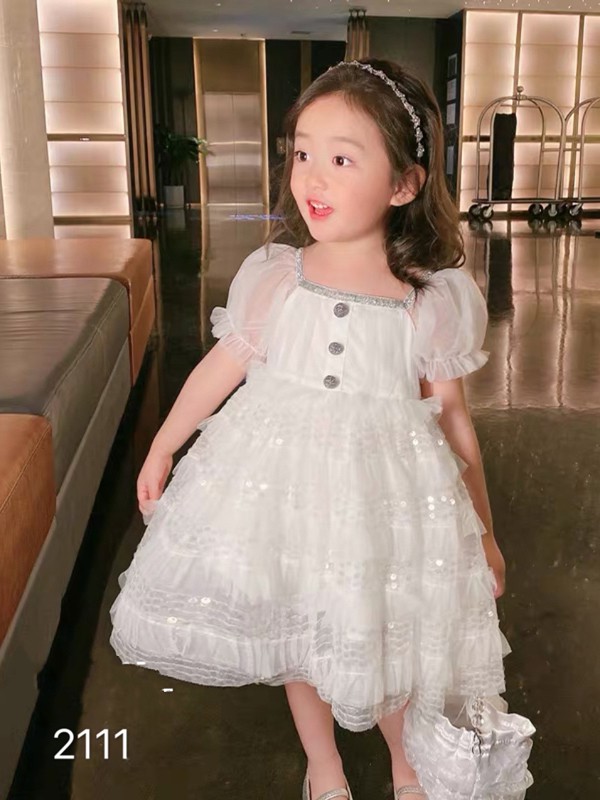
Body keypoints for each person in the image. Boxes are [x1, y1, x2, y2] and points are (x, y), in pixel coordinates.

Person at [110, 58, 516, 800]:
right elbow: (221, 368)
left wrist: (481, 533)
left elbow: (454, 420)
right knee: (295, 631)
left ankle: (406, 765)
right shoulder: (278, 276)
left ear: (404, 184)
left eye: (341, 159)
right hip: (283, 495)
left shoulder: (427, 300)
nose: (312, 179)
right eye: (302, 154)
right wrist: (164, 444)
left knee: (381, 634)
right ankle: (323, 765)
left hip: (378, 503)